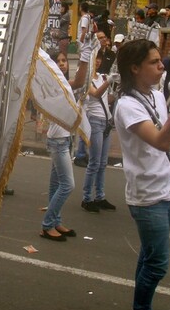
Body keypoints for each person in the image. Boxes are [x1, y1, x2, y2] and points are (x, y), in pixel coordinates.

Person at [114, 39, 170, 310]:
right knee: (157, 265)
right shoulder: (127, 105)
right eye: (154, 63)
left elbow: (168, 133)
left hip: (168, 190)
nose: (161, 68)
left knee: (147, 258)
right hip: (148, 197)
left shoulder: (157, 95)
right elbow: (160, 142)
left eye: (161, 62)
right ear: (135, 68)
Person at [40, 44, 92, 241]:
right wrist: (85, 60)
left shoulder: (62, 84)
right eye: (58, 61)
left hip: (65, 138)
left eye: (64, 61)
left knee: (56, 185)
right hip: (57, 141)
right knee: (67, 185)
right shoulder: (54, 85)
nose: (62, 64)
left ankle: (55, 221)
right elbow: (79, 81)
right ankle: (47, 225)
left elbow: (80, 82)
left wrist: (86, 60)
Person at [81, 50, 117, 213]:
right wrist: (109, 81)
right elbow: (95, 95)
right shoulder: (85, 79)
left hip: (106, 121)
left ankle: (100, 196)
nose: (97, 62)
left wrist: (117, 91)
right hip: (94, 121)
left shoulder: (102, 77)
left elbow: (106, 99)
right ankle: (87, 198)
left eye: (99, 59)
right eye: (94, 59)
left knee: (103, 163)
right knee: (94, 162)